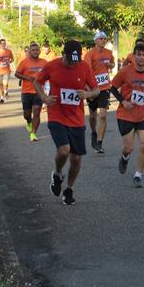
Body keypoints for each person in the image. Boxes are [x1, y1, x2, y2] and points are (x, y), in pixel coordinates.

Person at [35, 40, 100, 206]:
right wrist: (43, 97)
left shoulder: (84, 67)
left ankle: (69, 189)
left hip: (76, 118)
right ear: (63, 54)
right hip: (57, 115)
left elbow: (96, 89)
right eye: (70, 60)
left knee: (76, 158)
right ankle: (57, 173)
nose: (73, 64)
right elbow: (37, 81)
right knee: (64, 151)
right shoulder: (52, 66)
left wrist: (88, 94)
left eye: (76, 60)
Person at [110, 43, 144, 187]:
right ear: (134, 57)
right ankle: (125, 157)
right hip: (126, 114)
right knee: (128, 148)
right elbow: (113, 88)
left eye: (143, 55)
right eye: (138, 55)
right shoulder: (125, 71)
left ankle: (138, 175)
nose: (141, 58)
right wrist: (123, 102)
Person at [83, 31, 115, 153]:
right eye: (101, 38)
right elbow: (86, 72)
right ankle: (94, 132)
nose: (103, 40)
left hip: (105, 87)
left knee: (103, 115)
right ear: (95, 40)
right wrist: (88, 89)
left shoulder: (109, 53)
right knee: (92, 116)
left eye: (105, 38)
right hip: (92, 88)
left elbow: (112, 63)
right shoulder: (89, 54)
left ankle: (100, 142)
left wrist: (111, 65)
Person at [14, 42, 47, 142]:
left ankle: (33, 133)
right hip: (26, 91)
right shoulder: (24, 62)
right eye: (33, 50)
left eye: (37, 50)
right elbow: (16, 74)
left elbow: (49, 73)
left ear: (39, 51)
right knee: (27, 114)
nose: (35, 52)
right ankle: (29, 121)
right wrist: (28, 78)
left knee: (37, 111)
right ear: (29, 51)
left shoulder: (44, 62)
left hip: (39, 91)